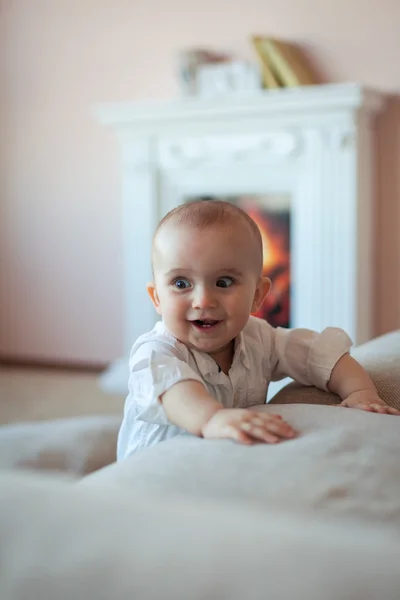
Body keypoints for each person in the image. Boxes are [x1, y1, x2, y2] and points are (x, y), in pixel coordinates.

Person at [117, 200, 399, 460]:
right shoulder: (156, 353)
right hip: (154, 470)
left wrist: (360, 391)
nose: (203, 301)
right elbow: (176, 392)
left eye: (224, 282)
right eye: (181, 283)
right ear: (156, 298)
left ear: (257, 295)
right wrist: (213, 419)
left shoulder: (259, 338)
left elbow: (318, 355)